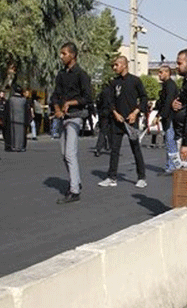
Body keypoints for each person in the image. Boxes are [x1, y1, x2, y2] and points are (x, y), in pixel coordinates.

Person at [50, 41, 92, 204]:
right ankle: (76, 181)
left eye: (64, 54)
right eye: (61, 54)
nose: (61, 57)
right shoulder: (61, 74)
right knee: (64, 154)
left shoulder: (81, 74)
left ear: (73, 55)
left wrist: (70, 103)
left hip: (75, 117)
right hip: (63, 117)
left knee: (70, 153)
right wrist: (57, 108)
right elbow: (55, 95)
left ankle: (74, 190)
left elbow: (87, 98)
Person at [98, 56, 148, 188]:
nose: (114, 68)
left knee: (135, 148)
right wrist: (115, 113)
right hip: (117, 122)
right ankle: (111, 177)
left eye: (116, 65)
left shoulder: (135, 81)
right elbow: (110, 101)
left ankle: (141, 177)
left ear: (124, 65)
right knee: (114, 150)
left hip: (131, 122)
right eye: (113, 65)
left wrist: (135, 113)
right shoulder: (114, 83)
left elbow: (144, 98)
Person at [156, 65, 179, 174]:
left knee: (170, 142)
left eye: (161, 72)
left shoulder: (170, 85)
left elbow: (168, 102)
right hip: (167, 117)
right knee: (169, 142)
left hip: (170, 117)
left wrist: (162, 115)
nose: (159, 74)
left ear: (167, 73)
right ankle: (171, 165)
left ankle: (172, 166)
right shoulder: (165, 85)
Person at [7, 84, 29, 152]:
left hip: (13, 119)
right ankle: (20, 146)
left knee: (14, 133)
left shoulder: (11, 99)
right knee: (21, 134)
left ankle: (14, 146)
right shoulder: (23, 100)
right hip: (21, 119)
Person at [94, 83, 112, 157]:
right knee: (109, 130)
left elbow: (98, 102)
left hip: (102, 113)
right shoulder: (112, 93)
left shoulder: (101, 93)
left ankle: (102, 147)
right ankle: (108, 146)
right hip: (110, 113)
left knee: (103, 130)